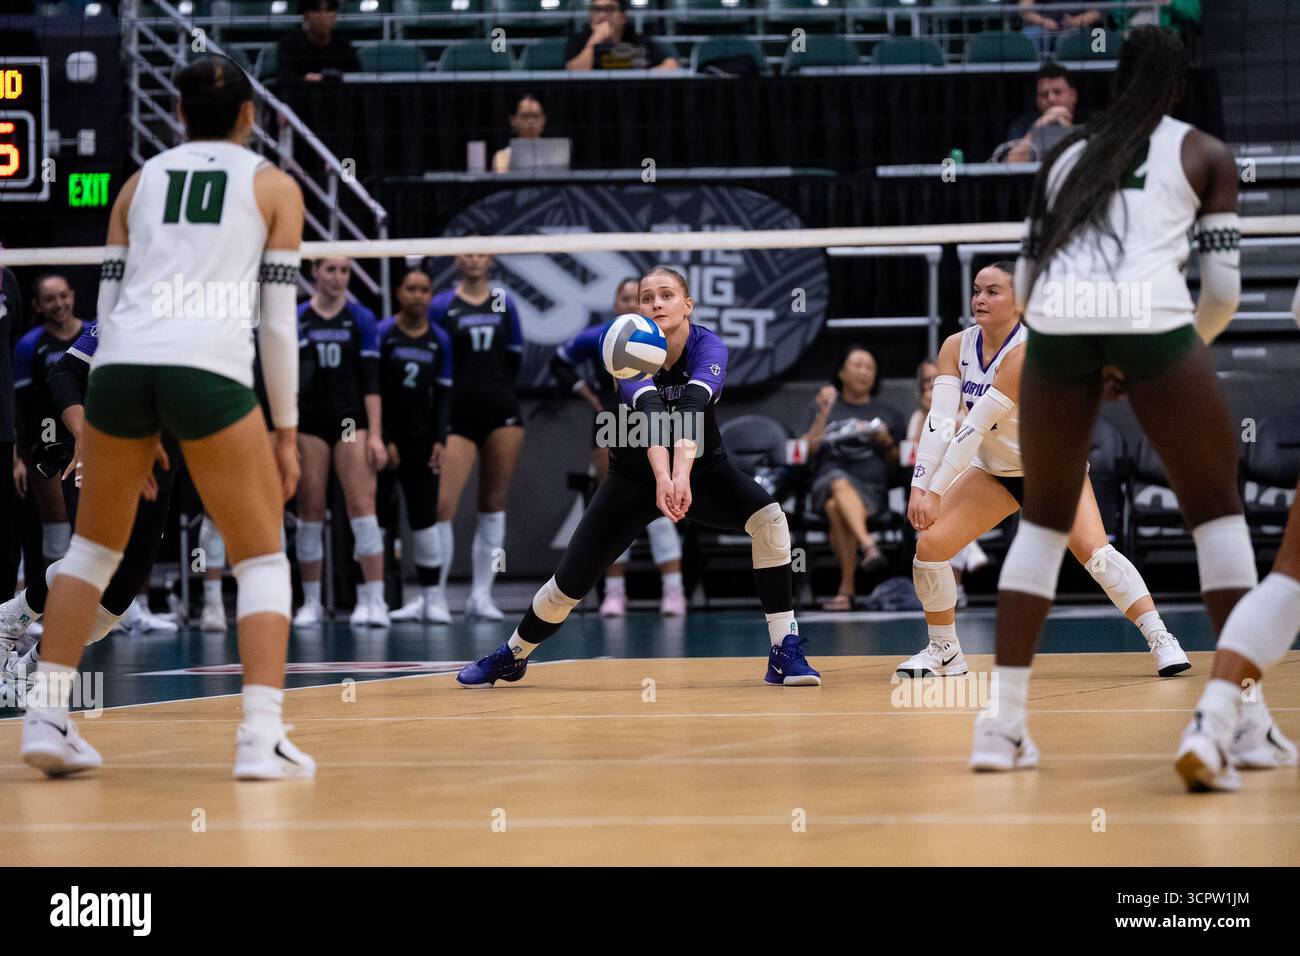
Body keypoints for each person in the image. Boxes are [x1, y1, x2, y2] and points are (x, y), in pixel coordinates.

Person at [969, 27, 1290, 778]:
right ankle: (1243, 720)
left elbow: (1027, 274)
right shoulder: (1204, 151)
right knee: (1217, 517)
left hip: (1056, 332)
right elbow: (1223, 293)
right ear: (1179, 87)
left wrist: (1085, 353)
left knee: (1043, 526)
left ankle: (1001, 727)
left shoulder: (1064, 154)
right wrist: (1163, 354)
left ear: (1114, 79)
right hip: (1153, 324)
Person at [18, 55, 312, 779]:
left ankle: (47, 719)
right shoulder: (274, 186)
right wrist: (285, 429)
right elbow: (277, 325)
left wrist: (125, 421)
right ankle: (260, 737)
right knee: (263, 557)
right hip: (205, 366)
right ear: (251, 115)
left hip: (117, 368)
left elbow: (108, 307)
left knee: (90, 551)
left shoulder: (137, 184)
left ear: (178, 114)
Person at [456, 267, 818, 688]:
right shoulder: (624, 346)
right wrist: (664, 480)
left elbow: (689, 412)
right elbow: (649, 418)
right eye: (647, 298)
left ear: (688, 306)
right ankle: (513, 654)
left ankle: (783, 651)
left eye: (667, 295)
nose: (656, 304)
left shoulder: (709, 346)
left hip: (703, 469)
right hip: (632, 478)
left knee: (770, 519)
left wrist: (681, 477)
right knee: (566, 586)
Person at [901, 262, 1189, 679]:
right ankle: (944, 651)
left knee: (1097, 556)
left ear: (1020, 303)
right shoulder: (955, 346)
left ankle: (1162, 637)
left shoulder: (1029, 351)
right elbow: (941, 422)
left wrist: (936, 490)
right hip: (995, 471)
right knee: (929, 549)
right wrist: (919, 484)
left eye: (993, 292)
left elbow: (974, 427)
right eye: (977, 291)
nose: (980, 299)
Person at [0, 321, 182, 682]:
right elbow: (64, 370)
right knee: (94, 561)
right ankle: (9, 625)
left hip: (160, 460)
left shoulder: (221, 321)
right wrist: (83, 435)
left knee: (111, 608)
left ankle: (24, 673)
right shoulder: (136, 306)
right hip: (106, 447)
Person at [549, 277, 686, 617]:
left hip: (654, 420)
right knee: (614, 503)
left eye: (635, 299)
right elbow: (559, 360)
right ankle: (614, 592)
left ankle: (673, 589)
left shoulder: (661, 336)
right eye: (623, 298)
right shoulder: (603, 335)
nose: (629, 305)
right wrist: (589, 395)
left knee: (661, 502)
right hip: (611, 420)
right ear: (615, 304)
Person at [427, 249, 525, 621]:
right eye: (467, 252)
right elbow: (434, 352)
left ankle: (481, 595)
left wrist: (494, 388)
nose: (473, 258)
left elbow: (514, 355)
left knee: (493, 503)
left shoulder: (503, 301)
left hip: (500, 409)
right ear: (456, 260)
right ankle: (434, 594)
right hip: (456, 412)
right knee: (442, 505)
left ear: (490, 261)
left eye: (481, 252)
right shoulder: (441, 304)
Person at [292, 257, 390, 628]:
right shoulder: (299, 316)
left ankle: (375, 600)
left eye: (345, 271)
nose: (338, 277)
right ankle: (312, 602)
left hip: (350, 420)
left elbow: (371, 382)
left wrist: (376, 435)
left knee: (362, 505)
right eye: (330, 270)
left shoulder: (361, 317)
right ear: (315, 272)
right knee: (310, 508)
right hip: (311, 422)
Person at [798, 345, 905, 611]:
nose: (863, 371)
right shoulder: (824, 407)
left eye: (869, 367)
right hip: (826, 483)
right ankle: (869, 545)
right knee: (837, 480)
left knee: (838, 507)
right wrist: (823, 412)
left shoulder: (889, 414)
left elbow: (898, 466)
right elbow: (804, 452)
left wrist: (888, 442)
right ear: (842, 372)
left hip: (871, 492)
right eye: (857, 365)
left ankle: (846, 590)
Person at [378, 268, 454, 624]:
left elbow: (442, 395)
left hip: (422, 442)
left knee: (425, 521)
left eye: (425, 289)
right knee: (378, 518)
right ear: (398, 293)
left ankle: (432, 599)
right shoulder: (384, 335)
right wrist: (384, 438)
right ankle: (374, 598)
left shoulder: (439, 340)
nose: (418, 296)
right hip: (384, 441)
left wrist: (440, 439)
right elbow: (373, 390)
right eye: (411, 289)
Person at [13, 274, 84, 592]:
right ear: (37, 306)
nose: (59, 304)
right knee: (57, 526)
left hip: (93, 442)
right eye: (50, 299)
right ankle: (51, 605)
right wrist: (18, 455)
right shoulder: (30, 345)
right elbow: (17, 403)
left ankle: (129, 607)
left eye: (64, 296)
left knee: (105, 526)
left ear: (73, 295)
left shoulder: (95, 334)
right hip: (48, 444)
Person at [905, 359, 987, 608]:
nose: (932, 385)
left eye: (936, 379)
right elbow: (912, 451)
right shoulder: (918, 416)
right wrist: (930, 415)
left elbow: (969, 440)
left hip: (966, 479)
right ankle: (961, 576)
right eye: (927, 381)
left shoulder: (966, 408)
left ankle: (953, 589)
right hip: (930, 484)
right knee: (935, 516)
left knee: (945, 509)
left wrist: (946, 415)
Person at [993, 63, 1080, 163]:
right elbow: (1012, 164)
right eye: (1044, 95)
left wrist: (1069, 132)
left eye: (1057, 92)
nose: (1051, 99)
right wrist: (1036, 129)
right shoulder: (1023, 125)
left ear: (1073, 95)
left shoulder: (1090, 122)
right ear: (1037, 100)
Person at [565, 0, 679, 71]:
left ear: (623, 17)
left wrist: (645, 76)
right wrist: (594, 40)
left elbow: (671, 65)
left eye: (609, 9)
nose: (602, 15)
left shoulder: (636, 39)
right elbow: (574, 73)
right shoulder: (579, 40)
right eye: (596, 9)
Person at [1, 267, 24, 606]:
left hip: (2, 431)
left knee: (6, 539)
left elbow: (11, 341)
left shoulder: (6, 278)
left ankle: (2, 626)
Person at [277, 0, 360, 88]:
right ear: (305, 15)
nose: (323, 17)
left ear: (335, 15)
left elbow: (357, 80)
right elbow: (284, 79)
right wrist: (303, 80)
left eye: (329, 10)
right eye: (316, 10)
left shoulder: (344, 45)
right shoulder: (289, 44)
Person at [1017, 1, 1103, 55]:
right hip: (1040, 25)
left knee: (1072, 39)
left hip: (1077, 26)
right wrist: (1043, 21)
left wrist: (1076, 21)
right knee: (1029, 36)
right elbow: (1024, 9)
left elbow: (1096, 11)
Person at [492, 94, 547, 175]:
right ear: (513, 120)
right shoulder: (502, 156)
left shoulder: (557, 154)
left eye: (536, 116)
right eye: (525, 116)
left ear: (543, 120)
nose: (531, 121)